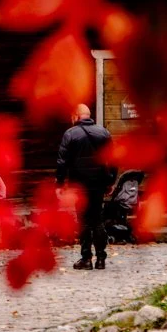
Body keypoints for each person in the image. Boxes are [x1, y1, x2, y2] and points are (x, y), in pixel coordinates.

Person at [56, 103, 117, 270]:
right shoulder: (103, 132)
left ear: (76, 115)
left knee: (83, 220)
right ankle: (101, 259)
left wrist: (60, 183)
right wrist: (111, 181)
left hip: (79, 185)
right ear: (88, 115)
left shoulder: (70, 134)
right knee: (97, 219)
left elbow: (62, 161)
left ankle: (86, 258)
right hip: (98, 183)